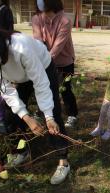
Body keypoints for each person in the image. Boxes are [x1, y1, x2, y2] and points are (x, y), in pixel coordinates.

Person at [0, 27, 70, 185]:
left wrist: (48, 116)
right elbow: (7, 92)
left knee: (54, 113)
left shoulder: (21, 48)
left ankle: (63, 159)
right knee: (13, 114)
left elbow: (41, 83)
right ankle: (23, 149)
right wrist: (27, 118)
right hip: (19, 77)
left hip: (42, 67)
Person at [32, 0, 78, 128]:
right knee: (44, 87)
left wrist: (45, 60)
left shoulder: (65, 21)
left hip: (64, 60)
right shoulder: (36, 18)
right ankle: (43, 111)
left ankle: (72, 114)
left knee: (65, 89)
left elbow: (58, 45)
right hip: (45, 60)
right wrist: (41, 59)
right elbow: (38, 40)